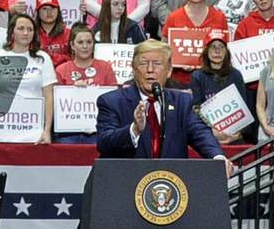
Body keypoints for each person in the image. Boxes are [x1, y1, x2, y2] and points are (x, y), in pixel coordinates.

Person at [96, 39, 229, 170]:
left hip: (170, 183)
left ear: (169, 71)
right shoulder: (111, 101)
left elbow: (200, 133)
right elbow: (104, 143)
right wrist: (134, 129)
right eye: (143, 63)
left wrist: (217, 157)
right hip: (126, 182)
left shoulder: (183, 102)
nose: (150, 69)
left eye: (157, 64)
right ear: (134, 69)